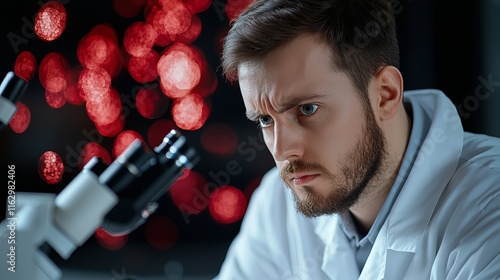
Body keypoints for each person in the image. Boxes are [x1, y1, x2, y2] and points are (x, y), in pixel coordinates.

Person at [214, 0, 500, 279]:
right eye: (265, 120)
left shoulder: (490, 210)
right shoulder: (276, 205)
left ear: (385, 94)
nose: (283, 150)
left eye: (307, 109)